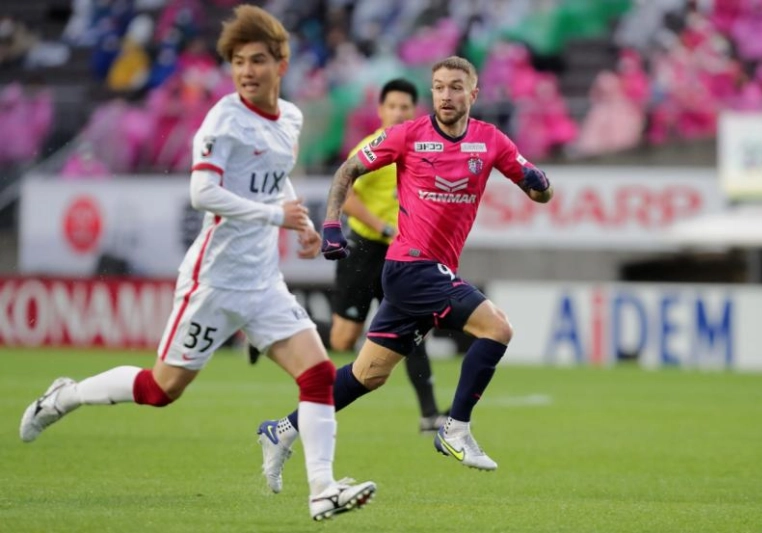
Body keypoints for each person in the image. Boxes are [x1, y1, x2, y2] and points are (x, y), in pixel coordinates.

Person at [18, 5, 376, 522]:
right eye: (237, 62)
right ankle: (65, 397)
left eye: (257, 60)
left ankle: (321, 489)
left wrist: (299, 222)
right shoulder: (224, 120)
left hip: (262, 281)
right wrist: (274, 216)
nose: (247, 71)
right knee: (160, 390)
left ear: (282, 61)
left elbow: (275, 177)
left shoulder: (291, 117)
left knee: (318, 374)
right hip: (214, 282)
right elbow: (201, 192)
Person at [257, 55, 553, 492]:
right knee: (497, 328)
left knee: (366, 375)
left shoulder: (490, 141)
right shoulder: (407, 136)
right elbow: (349, 169)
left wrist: (539, 182)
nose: (446, 95)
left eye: (455, 87)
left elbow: (538, 191)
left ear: (473, 94)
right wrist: (332, 222)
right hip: (411, 266)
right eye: (438, 87)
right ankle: (455, 428)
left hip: (429, 271)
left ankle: (280, 430)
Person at [331, 78, 447, 434]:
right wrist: (382, 227)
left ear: (415, 111)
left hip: (404, 254)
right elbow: (346, 193)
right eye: (392, 107)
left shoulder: (424, 148)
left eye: (405, 107)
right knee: (342, 340)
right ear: (381, 111)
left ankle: (430, 414)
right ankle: (275, 334)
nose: (398, 112)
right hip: (365, 250)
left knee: (412, 331)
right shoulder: (373, 148)